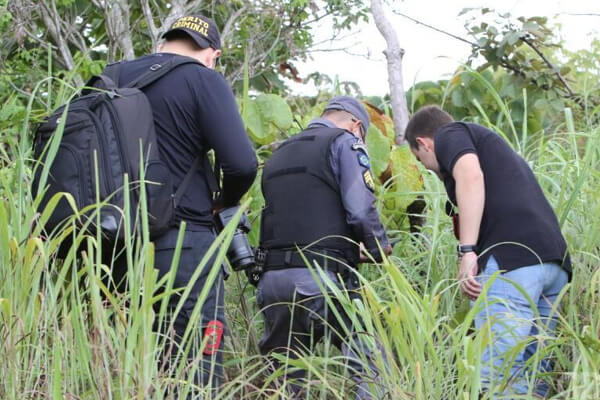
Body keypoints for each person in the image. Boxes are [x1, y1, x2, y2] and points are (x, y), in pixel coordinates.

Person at [103, 14, 258, 390]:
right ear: (211, 55)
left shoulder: (111, 77)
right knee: (195, 363)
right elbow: (241, 164)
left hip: (112, 245)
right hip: (183, 243)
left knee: (132, 362)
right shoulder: (202, 78)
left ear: (162, 44)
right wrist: (225, 201)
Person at [405, 105, 571, 397]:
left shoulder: (450, 133)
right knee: (535, 375)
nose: (428, 167)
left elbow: (470, 176)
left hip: (513, 263)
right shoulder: (492, 147)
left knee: (500, 374)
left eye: (421, 160)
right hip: (553, 263)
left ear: (424, 143)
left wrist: (468, 250)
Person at [256, 96, 391, 399]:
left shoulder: (280, 152)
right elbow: (359, 209)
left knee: (285, 376)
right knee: (371, 357)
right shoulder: (344, 142)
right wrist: (379, 247)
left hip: (272, 280)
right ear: (356, 125)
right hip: (322, 277)